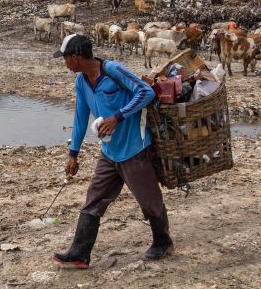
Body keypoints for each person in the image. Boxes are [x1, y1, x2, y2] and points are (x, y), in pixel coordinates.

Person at [51, 34, 173, 269]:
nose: (64, 63)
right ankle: (79, 253)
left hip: (134, 148)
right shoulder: (81, 81)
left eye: (65, 58)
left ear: (76, 57)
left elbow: (145, 93)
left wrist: (118, 117)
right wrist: (73, 154)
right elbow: (80, 117)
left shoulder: (112, 70)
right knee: (93, 200)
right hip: (109, 151)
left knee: (149, 200)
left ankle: (163, 241)